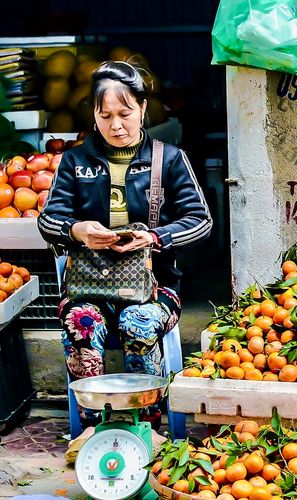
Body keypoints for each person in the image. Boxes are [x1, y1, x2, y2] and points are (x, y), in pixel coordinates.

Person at [38, 61, 212, 429]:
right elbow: (48, 221)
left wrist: (153, 237)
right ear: (95, 115)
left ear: (143, 109)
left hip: (155, 289)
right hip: (89, 289)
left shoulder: (169, 160)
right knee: (81, 322)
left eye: (125, 113)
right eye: (105, 116)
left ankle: (144, 425)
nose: (116, 125)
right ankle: (94, 428)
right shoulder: (75, 161)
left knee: (138, 322)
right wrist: (78, 230)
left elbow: (201, 221)